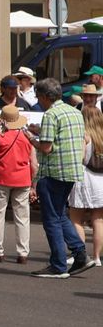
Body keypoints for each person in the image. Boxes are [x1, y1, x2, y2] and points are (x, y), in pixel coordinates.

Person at [29, 77, 89, 277]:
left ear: (46, 96)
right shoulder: (74, 112)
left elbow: (46, 148)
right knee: (60, 214)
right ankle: (80, 253)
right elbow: (62, 136)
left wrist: (31, 138)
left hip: (53, 171)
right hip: (71, 171)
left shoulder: (50, 114)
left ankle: (58, 265)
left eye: (39, 97)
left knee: (51, 219)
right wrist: (39, 131)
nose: (39, 101)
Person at [0, 104, 33, 264]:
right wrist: (33, 182)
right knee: (22, 216)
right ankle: (23, 253)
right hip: (23, 179)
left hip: (1, 178)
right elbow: (34, 163)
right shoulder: (27, 136)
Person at [68, 106, 103, 269]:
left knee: (76, 218)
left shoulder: (85, 136)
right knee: (98, 220)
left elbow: (80, 157)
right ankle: (97, 257)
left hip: (85, 178)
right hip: (101, 180)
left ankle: (80, 254)